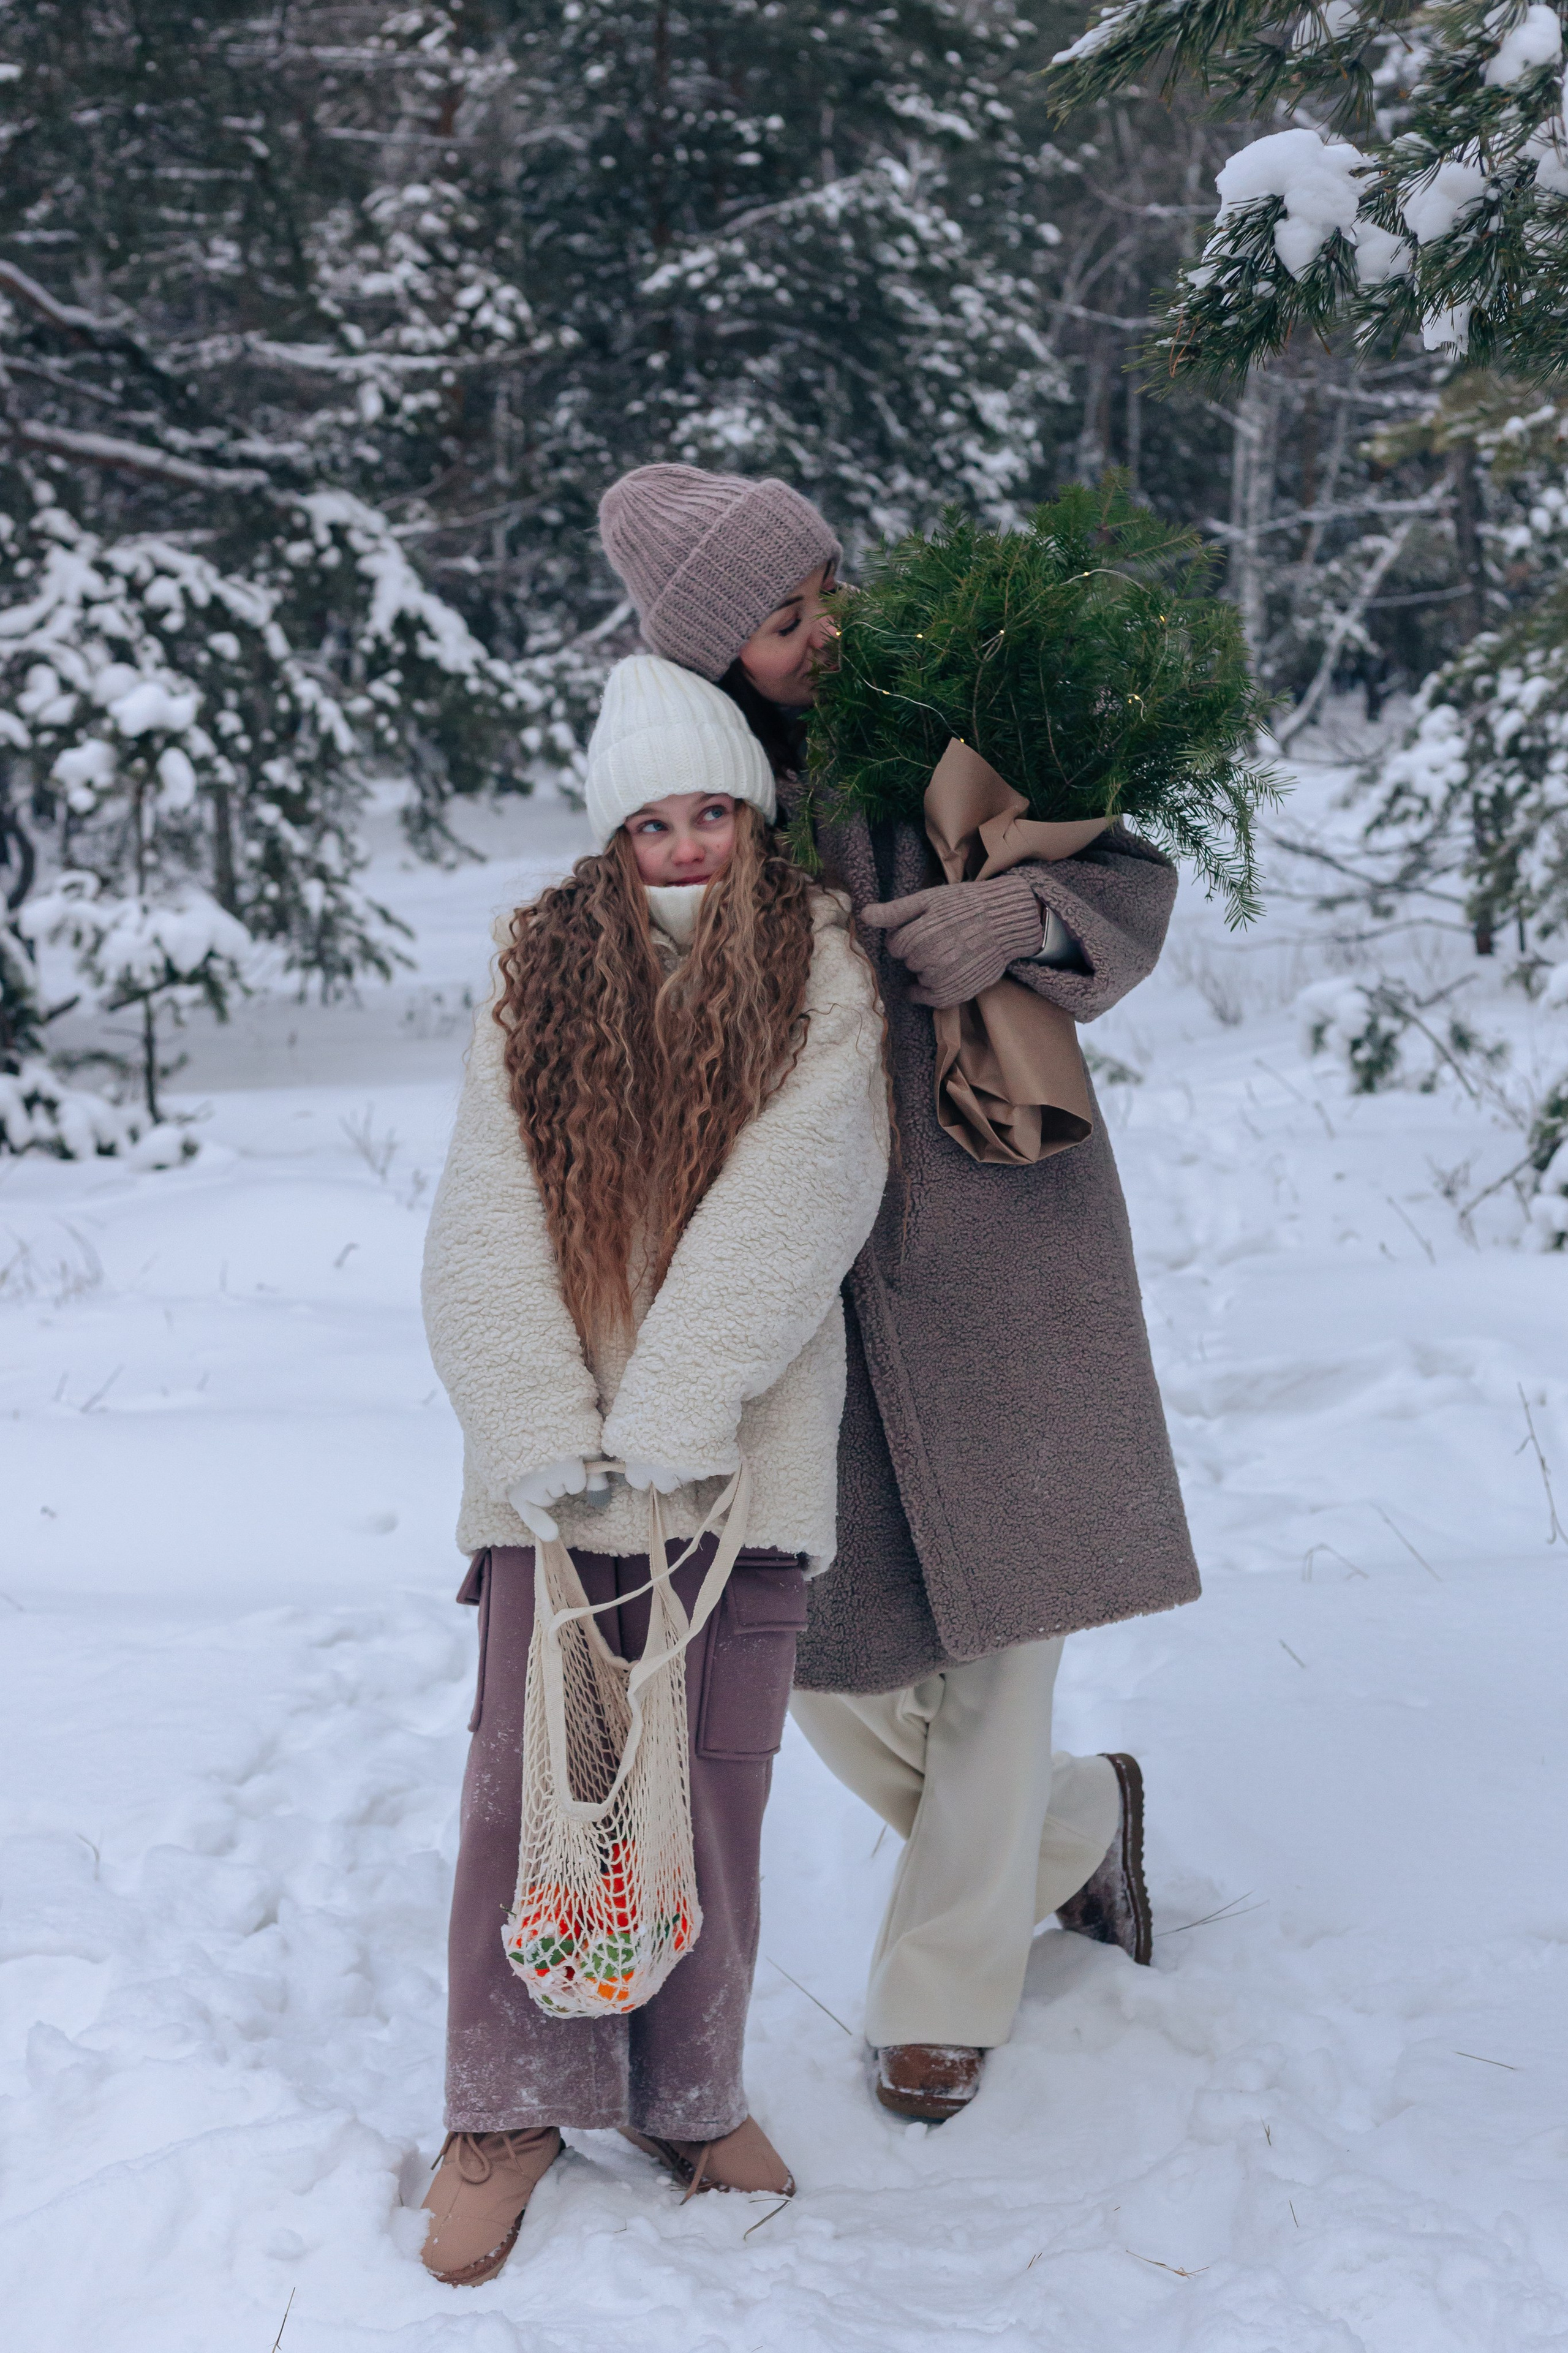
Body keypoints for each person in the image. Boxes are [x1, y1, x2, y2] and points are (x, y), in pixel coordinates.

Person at [597, 463, 1201, 2125]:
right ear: (716, 658)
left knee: (1009, 1629)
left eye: (823, 590)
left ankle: (943, 1996)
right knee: (818, 1647)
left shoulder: (946, 704)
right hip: (807, 1272)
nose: (822, 633)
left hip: (999, 1223)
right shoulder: (689, 785)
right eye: (782, 622)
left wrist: (1018, 911)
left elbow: (1124, 875)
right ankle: (1074, 1831)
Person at [417, 653, 889, 2283]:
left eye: (712, 813)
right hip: (547, 1481)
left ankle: (689, 2089)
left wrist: (682, 1409)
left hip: (734, 1462)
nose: (685, 844)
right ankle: (509, 2098)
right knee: (524, 1777)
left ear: (751, 821)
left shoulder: (816, 966)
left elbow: (802, 1194)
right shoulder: (532, 967)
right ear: (609, 836)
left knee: (711, 1785)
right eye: (651, 822)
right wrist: (542, 1425)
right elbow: (484, 1215)